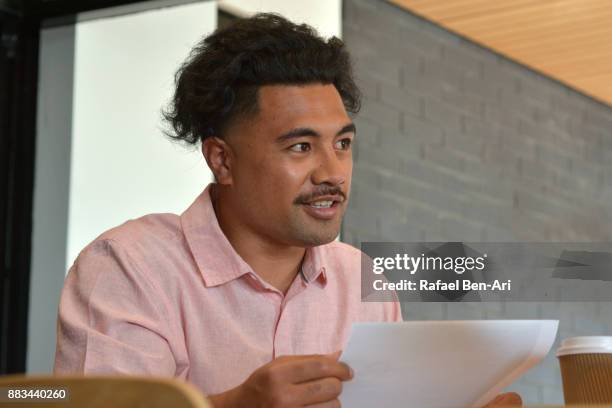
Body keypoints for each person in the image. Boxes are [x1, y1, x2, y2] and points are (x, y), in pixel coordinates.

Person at [54, 13, 521, 408]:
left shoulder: (363, 283)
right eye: (301, 147)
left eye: (342, 144)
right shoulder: (131, 267)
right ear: (222, 159)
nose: (332, 173)